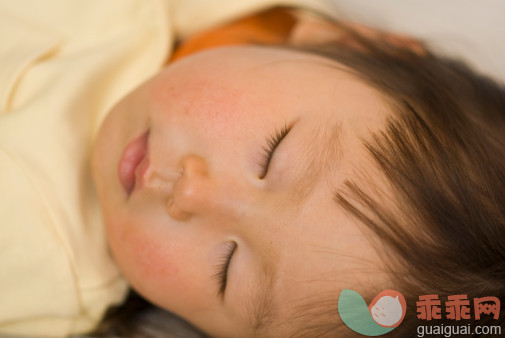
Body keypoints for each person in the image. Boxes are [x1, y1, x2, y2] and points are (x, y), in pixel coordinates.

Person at [1, 1, 504, 337]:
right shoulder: (229, 29)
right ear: (339, 43)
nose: (189, 195)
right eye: (271, 151)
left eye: (227, 270)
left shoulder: (39, 262)